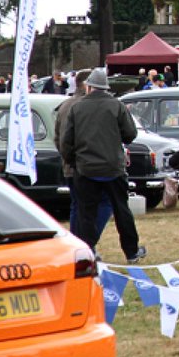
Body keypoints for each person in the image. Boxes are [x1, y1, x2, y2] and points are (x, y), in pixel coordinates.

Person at [58, 67, 145, 264]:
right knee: (122, 210)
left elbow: (66, 142)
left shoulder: (76, 108)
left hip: (85, 169)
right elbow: (130, 134)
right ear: (105, 87)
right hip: (113, 167)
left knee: (85, 213)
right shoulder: (116, 106)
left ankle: (87, 254)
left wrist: (74, 161)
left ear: (88, 87)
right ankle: (131, 252)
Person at [53, 69, 112, 236]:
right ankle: (87, 241)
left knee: (77, 206)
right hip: (87, 165)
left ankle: (77, 243)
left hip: (70, 164)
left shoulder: (65, 105)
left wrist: (68, 158)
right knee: (103, 203)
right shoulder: (88, 106)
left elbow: (58, 137)